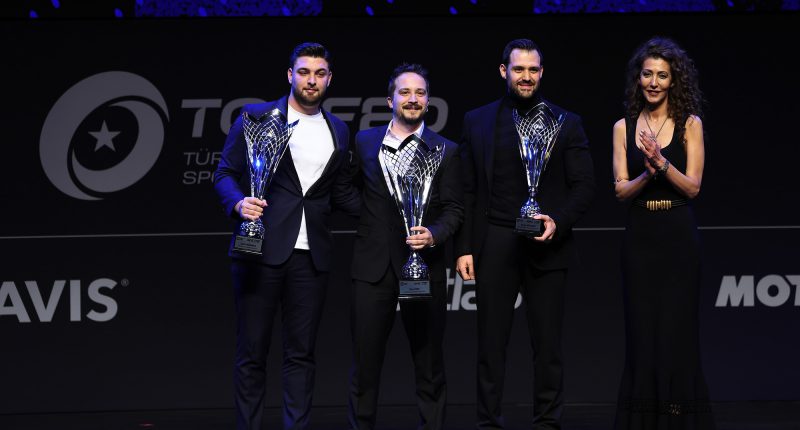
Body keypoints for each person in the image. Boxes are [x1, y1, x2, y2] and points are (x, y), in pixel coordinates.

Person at [214, 42, 355, 430]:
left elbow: (340, 193)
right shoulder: (256, 116)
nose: (312, 80)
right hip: (259, 250)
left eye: (320, 73)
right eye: (304, 72)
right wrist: (238, 203)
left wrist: (388, 213)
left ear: (329, 79)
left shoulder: (339, 129)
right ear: (290, 75)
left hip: (312, 256)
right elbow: (224, 173)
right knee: (252, 353)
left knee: (301, 355)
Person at [455, 38, 595, 429]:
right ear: (504, 71)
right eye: (519, 69)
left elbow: (584, 186)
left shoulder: (566, 121)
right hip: (495, 240)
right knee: (490, 345)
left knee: (548, 346)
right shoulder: (477, 121)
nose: (526, 76)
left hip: (546, 242)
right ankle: (488, 423)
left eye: (533, 69)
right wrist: (464, 247)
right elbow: (466, 190)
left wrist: (558, 221)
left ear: (542, 72)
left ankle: (548, 423)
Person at [338, 63, 463, 430]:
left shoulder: (446, 150)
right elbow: (344, 188)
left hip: (423, 266)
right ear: (389, 99)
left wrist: (434, 234)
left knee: (429, 365)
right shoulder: (364, 141)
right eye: (405, 92)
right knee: (365, 366)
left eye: (420, 93)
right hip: (373, 267)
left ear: (428, 101)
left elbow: (455, 209)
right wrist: (372, 216)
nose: (412, 99)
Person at [611, 37, 714, 429]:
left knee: (677, 331)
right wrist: (647, 172)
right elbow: (621, 191)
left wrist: (663, 163)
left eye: (662, 76)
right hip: (640, 237)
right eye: (647, 74)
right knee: (642, 331)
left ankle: (678, 419)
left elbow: (693, 188)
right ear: (638, 79)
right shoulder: (623, 127)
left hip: (678, 237)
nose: (654, 82)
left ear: (674, 81)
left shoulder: (690, 124)